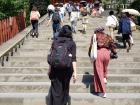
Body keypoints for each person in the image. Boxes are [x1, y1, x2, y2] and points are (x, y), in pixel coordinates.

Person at [47, 25, 77, 105]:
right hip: (67, 68)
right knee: (65, 87)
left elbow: (51, 56)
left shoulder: (55, 42)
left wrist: (49, 69)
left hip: (55, 68)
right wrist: (75, 73)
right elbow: (73, 59)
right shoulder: (72, 43)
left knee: (56, 90)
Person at [88, 27, 117, 98]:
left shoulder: (95, 36)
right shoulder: (107, 36)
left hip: (98, 53)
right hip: (107, 53)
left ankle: (102, 91)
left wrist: (90, 54)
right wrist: (114, 52)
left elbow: (91, 46)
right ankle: (104, 78)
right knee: (105, 67)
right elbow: (113, 44)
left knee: (98, 72)